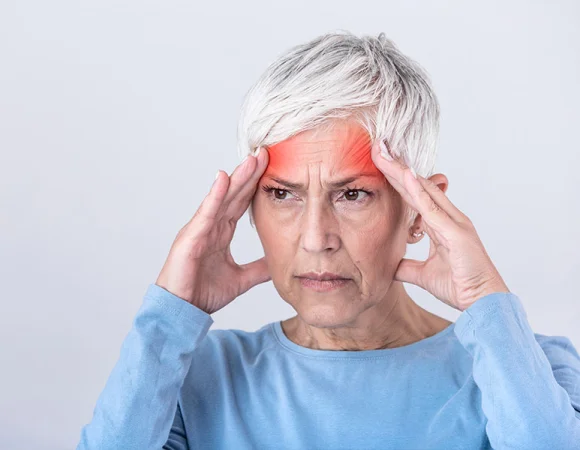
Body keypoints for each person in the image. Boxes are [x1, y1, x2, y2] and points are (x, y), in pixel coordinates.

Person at [77, 31, 580, 450]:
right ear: (248, 204)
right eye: (281, 194)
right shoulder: (196, 378)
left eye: (353, 194)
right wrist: (170, 315)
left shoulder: (532, 372)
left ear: (421, 210)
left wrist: (486, 304)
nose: (316, 239)